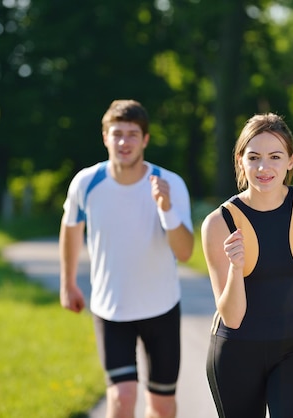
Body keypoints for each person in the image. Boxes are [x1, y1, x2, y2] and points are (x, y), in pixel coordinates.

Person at [59, 99, 194, 418]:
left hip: (161, 307)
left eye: (133, 134)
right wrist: (67, 283)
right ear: (105, 137)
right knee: (121, 398)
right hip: (111, 309)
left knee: (161, 407)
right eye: (117, 133)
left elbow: (186, 252)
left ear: (145, 139)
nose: (124, 142)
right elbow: (71, 229)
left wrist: (166, 207)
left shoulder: (170, 183)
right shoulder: (86, 183)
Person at [201, 113, 293, 418]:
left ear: (290, 161)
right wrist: (237, 268)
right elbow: (233, 318)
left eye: (275, 157)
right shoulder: (218, 224)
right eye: (254, 157)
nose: (264, 167)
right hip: (236, 351)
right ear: (240, 161)